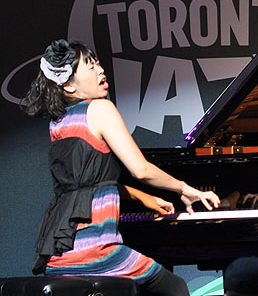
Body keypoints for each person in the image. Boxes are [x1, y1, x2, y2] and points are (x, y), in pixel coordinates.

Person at [22, 39, 222, 296]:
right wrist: (185, 189)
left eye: (97, 63)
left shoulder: (59, 122)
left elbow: (91, 185)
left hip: (59, 251)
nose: (99, 69)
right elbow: (141, 170)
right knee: (176, 286)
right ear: (70, 86)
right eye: (89, 66)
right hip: (96, 250)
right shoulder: (100, 109)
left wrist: (144, 197)